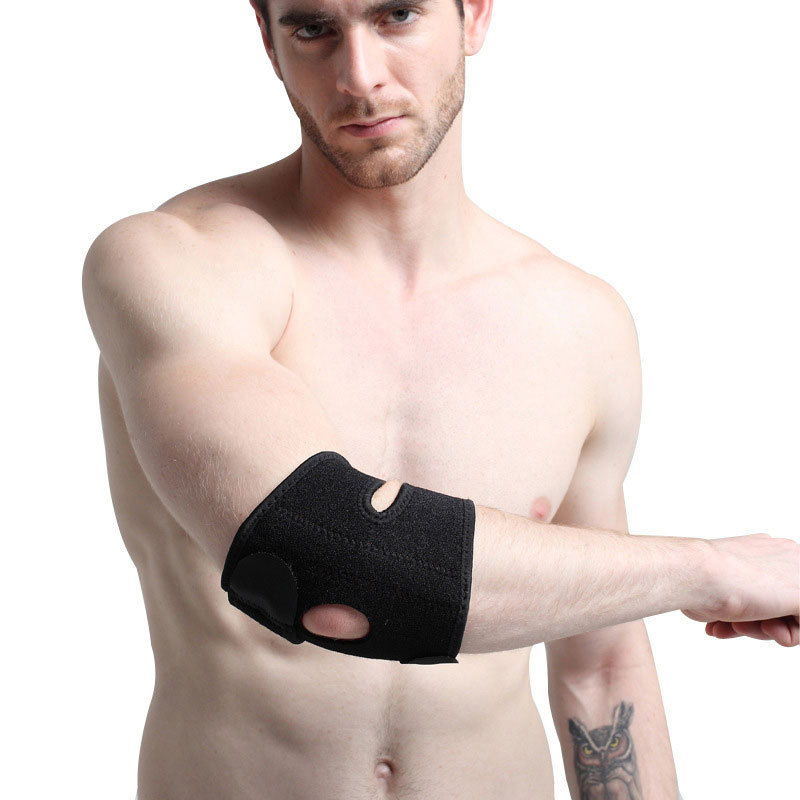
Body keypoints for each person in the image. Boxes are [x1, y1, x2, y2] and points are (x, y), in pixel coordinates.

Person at [81, 1, 799, 798]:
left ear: (475, 16)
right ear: (267, 38)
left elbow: (599, 671)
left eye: (397, 15)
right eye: (314, 28)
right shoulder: (175, 263)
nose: (360, 77)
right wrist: (710, 569)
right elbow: (324, 564)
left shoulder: (580, 323)